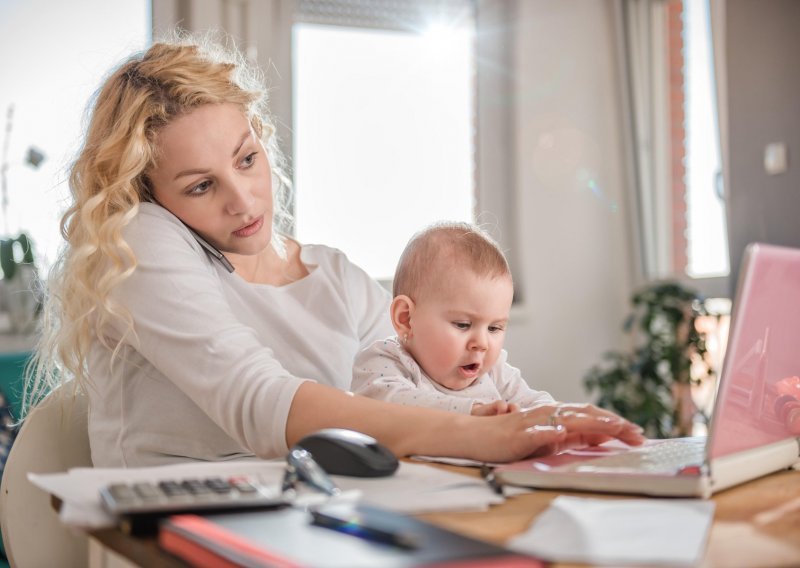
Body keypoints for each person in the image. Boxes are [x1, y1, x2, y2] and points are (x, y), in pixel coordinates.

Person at [24, 34, 644, 468]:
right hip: (173, 532)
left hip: (317, 515)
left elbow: (425, 390)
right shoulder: (134, 242)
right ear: (147, 192)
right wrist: (487, 438)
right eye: (201, 185)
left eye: (247, 159)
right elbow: (259, 401)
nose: (244, 201)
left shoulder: (336, 275)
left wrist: (539, 420)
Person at [353, 222, 555, 416]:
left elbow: (535, 404)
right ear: (406, 318)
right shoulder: (385, 362)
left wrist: (560, 416)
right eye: (463, 325)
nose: (482, 344)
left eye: (494, 328)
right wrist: (472, 412)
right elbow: (384, 408)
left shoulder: (495, 372)